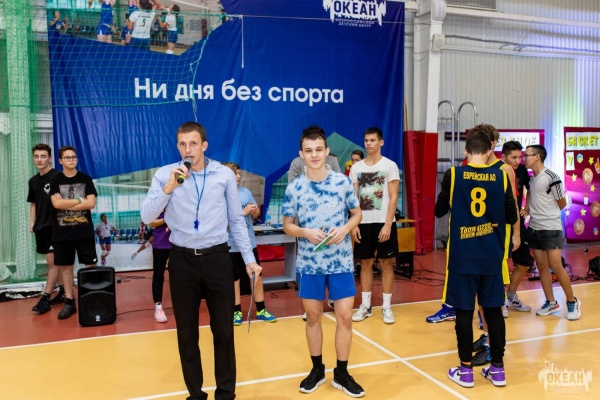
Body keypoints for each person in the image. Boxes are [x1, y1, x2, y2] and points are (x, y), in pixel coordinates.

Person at [140, 121, 261, 400]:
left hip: (217, 258)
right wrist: (169, 187)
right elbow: (147, 216)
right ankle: (195, 395)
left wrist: (248, 259)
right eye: (183, 144)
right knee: (186, 334)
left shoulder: (223, 175)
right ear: (177, 146)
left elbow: (236, 220)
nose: (188, 149)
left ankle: (225, 394)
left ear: (204, 146)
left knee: (224, 331)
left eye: (193, 143)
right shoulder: (165, 175)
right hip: (182, 260)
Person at [282, 125, 364, 397]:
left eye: (319, 149)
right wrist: (305, 232)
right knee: (313, 317)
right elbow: (287, 225)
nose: (314, 155)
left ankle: (342, 373)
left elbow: (357, 214)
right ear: (301, 154)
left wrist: (346, 228)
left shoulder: (342, 182)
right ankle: (317, 369)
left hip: (340, 263)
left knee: (345, 318)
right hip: (310, 265)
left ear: (327, 151)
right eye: (309, 151)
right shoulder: (294, 189)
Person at [436, 129, 518, 388]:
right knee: (493, 312)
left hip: (463, 256)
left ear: (466, 151)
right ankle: (498, 369)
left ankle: (466, 371)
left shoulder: (454, 175)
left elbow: (439, 211)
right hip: (491, 255)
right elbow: (512, 216)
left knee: (464, 312)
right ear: (490, 150)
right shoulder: (501, 176)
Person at [523, 144, 581, 320]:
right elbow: (531, 195)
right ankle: (551, 302)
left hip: (551, 228)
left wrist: (548, 214)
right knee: (541, 266)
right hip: (534, 228)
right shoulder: (532, 179)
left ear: (537, 157)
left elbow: (562, 202)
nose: (524, 158)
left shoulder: (551, 177)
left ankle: (572, 301)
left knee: (556, 266)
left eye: (527, 155)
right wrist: (527, 209)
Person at [350, 127, 400, 325]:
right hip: (363, 223)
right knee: (365, 263)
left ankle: (387, 307)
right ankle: (366, 306)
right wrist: (354, 223)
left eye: (372, 140)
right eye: (366, 140)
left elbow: (394, 196)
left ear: (381, 142)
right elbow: (353, 198)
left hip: (383, 222)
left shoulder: (390, 166)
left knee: (386, 264)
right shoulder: (356, 168)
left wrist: (388, 224)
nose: (369, 143)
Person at [222, 162, 277, 326]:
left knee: (256, 276)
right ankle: (236, 311)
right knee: (234, 279)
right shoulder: (220, 196)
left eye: (239, 173)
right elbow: (222, 223)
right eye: (235, 173)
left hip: (249, 243)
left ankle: (261, 309)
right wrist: (243, 212)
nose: (238, 176)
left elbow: (256, 214)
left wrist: (254, 211)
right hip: (231, 245)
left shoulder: (245, 192)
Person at [49, 146, 98, 320]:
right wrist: (78, 200)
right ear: (60, 160)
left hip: (84, 231)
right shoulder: (55, 180)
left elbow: (90, 203)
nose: (71, 160)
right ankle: (69, 302)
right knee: (66, 267)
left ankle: (93, 298)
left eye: (74, 157)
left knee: (90, 266)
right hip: (62, 233)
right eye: (67, 157)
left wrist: (66, 203)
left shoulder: (85, 179)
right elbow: (56, 205)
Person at [29, 144, 65, 314]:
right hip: (41, 227)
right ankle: (63, 292)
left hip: (56, 226)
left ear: (49, 158)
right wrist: (32, 223)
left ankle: (45, 298)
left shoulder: (58, 177)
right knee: (55, 262)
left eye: (43, 156)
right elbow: (33, 204)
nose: (39, 160)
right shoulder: (33, 181)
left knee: (52, 262)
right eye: (36, 156)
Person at [501, 141, 533, 311]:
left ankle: (510, 297)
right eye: (513, 157)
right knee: (500, 264)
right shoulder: (498, 171)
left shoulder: (521, 170)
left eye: (519, 157)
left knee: (525, 261)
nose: (517, 160)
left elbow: (530, 188)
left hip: (517, 222)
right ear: (503, 156)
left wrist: (526, 208)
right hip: (500, 223)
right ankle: (497, 302)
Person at [149, 211, 171, 323]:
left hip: (177, 244)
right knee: (158, 275)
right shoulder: (158, 204)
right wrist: (167, 219)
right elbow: (151, 223)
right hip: (160, 245)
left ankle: (181, 304)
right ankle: (158, 307)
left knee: (179, 276)